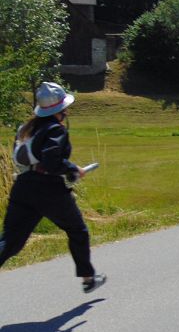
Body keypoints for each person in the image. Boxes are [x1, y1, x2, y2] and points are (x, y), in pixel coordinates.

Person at [0, 82, 106, 293]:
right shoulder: (55, 129)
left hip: (23, 186)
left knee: (10, 242)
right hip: (49, 190)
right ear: (60, 110)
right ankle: (88, 278)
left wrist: (67, 169)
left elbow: (29, 159)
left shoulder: (26, 129)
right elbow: (50, 160)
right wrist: (73, 168)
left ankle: (88, 277)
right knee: (77, 230)